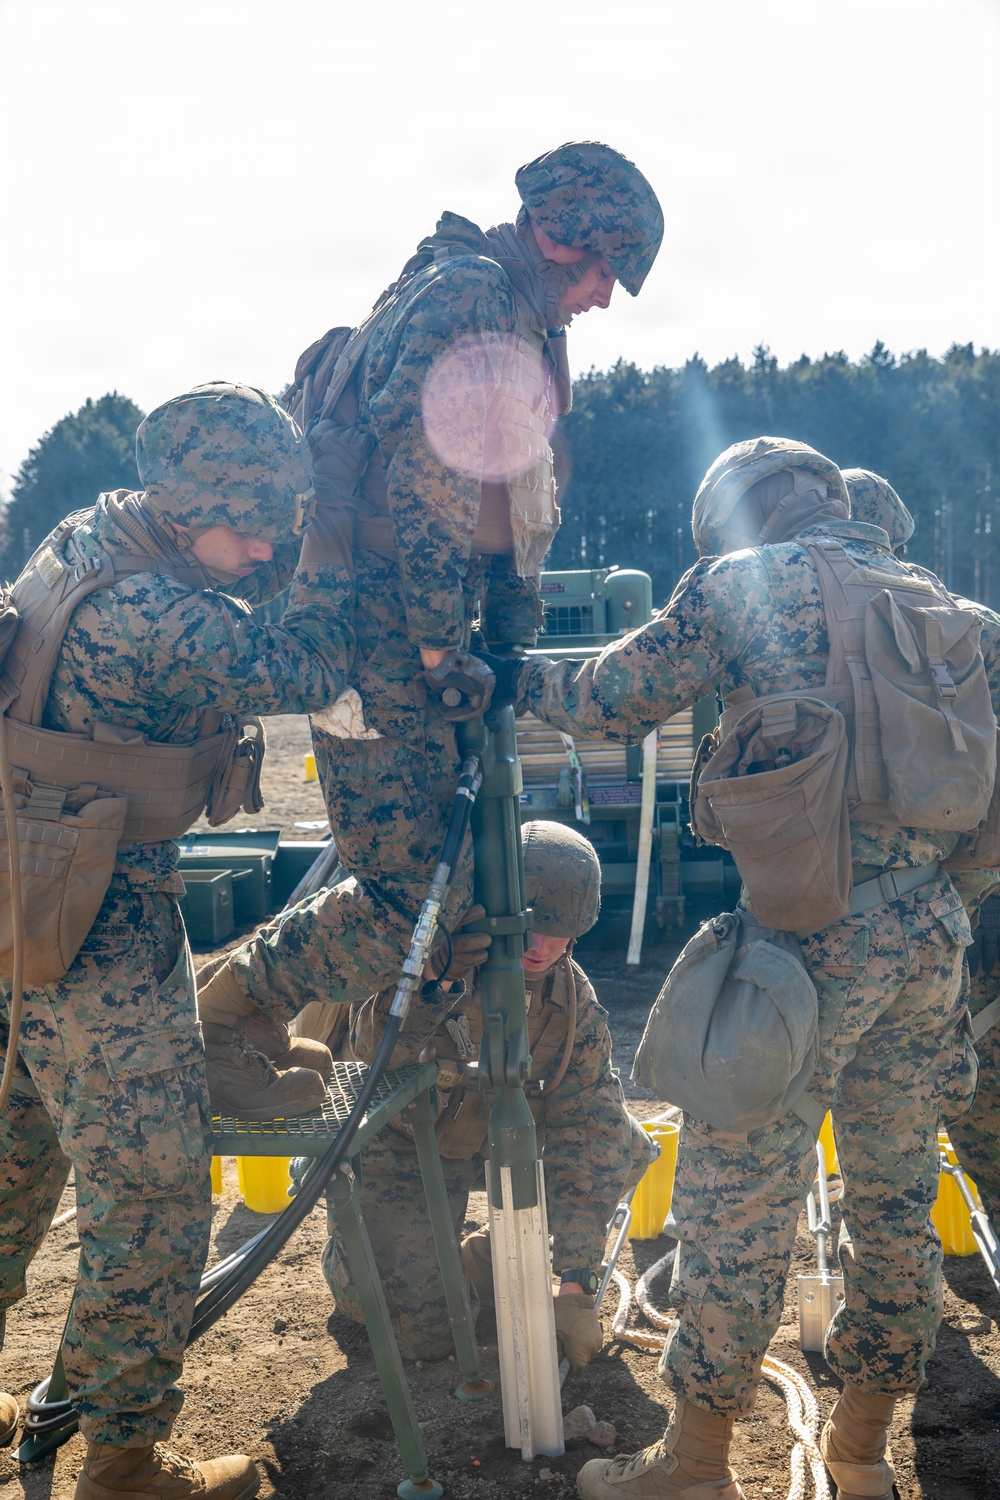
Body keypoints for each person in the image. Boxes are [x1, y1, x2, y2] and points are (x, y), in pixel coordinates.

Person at [443, 436, 985, 1500]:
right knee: (894, 1205)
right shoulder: (943, 606)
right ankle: (864, 1455)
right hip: (933, 943)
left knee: (738, 1205)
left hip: (807, 944)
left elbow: (612, 699)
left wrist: (502, 674)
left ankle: (694, 1467)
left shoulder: (747, 580)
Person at [196, 142, 664, 1060]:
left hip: (402, 623)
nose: (605, 297)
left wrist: (502, 632)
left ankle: (339, 1046)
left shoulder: (513, 311)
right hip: (376, 627)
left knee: (451, 881)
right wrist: (440, 649)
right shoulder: (471, 298)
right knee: (410, 899)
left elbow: (510, 496)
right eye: (606, 271)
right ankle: (225, 1016)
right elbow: (427, 484)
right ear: (557, 238)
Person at [0, 382, 359, 1500]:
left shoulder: (86, 538)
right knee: (154, 1193)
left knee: (14, 1154)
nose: (262, 549)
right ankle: (121, 1462)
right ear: (181, 498)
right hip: (92, 921)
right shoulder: (159, 614)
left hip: (32, 888)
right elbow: (308, 670)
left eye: (278, 526)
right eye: (246, 523)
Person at [303, 821, 653, 1369]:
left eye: (558, 932)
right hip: (402, 1149)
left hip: (494, 1148)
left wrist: (576, 1284)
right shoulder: (435, 959)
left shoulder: (572, 1002)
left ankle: (482, 1259)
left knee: (627, 1146)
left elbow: (591, 1128)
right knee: (428, 1335)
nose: (541, 948)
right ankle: (355, 1260)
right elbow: (377, 1054)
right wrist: (435, 990)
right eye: (532, 927)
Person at [845, 467, 1000, 1217]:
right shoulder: (976, 627)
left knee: (896, 1106)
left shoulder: (832, 633)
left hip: (909, 905)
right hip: (973, 896)